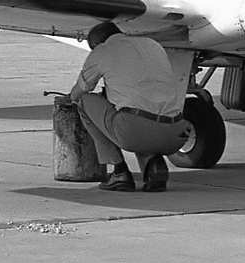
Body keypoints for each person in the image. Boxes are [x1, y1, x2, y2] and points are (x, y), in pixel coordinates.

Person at [56, 21, 192, 192]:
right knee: (139, 110)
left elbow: (81, 91)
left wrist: (71, 98)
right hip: (175, 134)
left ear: (97, 44)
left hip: (135, 131)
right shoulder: (153, 45)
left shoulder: (103, 51)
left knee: (85, 102)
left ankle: (119, 172)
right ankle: (154, 165)